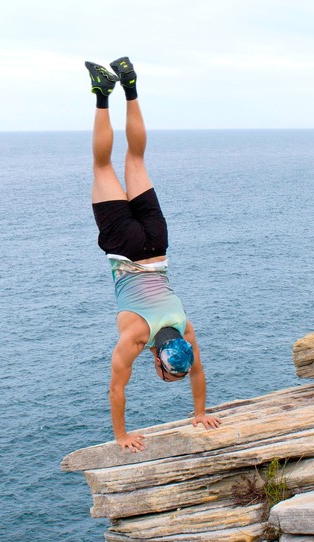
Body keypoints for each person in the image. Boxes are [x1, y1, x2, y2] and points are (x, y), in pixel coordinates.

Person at [85, 57, 222, 453]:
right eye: (164, 374)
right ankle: (100, 93)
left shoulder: (184, 328)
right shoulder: (135, 338)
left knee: (136, 160)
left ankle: (129, 85)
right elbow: (116, 390)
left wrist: (200, 411)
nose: (161, 374)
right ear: (159, 360)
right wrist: (121, 436)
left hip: (157, 244)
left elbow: (198, 371)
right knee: (102, 164)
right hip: (124, 247)